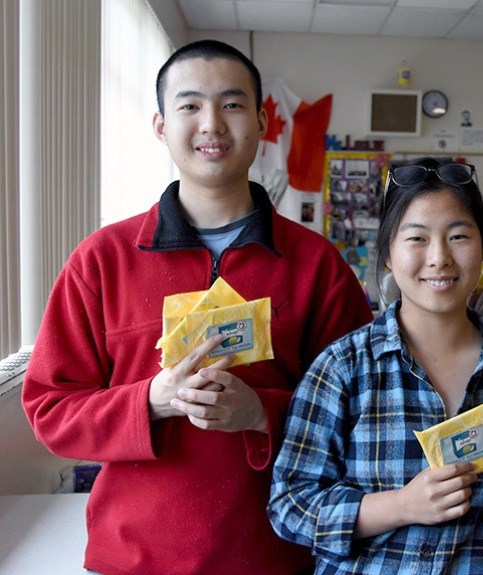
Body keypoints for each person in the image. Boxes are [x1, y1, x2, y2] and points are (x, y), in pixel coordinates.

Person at [22, 39, 373, 575]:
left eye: (232, 105)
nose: (211, 124)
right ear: (162, 125)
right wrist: (149, 401)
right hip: (133, 558)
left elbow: (361, 413)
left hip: (273, 555)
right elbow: (51, 409)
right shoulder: (102, 260)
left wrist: (260, 412)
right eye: (190, 106)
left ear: (260, 122)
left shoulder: (315, 265)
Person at [269, 157, 483, 574]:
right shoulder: (342, 367)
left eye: (458, 235)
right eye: (417, 238)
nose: (439, 258)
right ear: (388, 253)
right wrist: (400, 506)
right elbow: (289, 505)